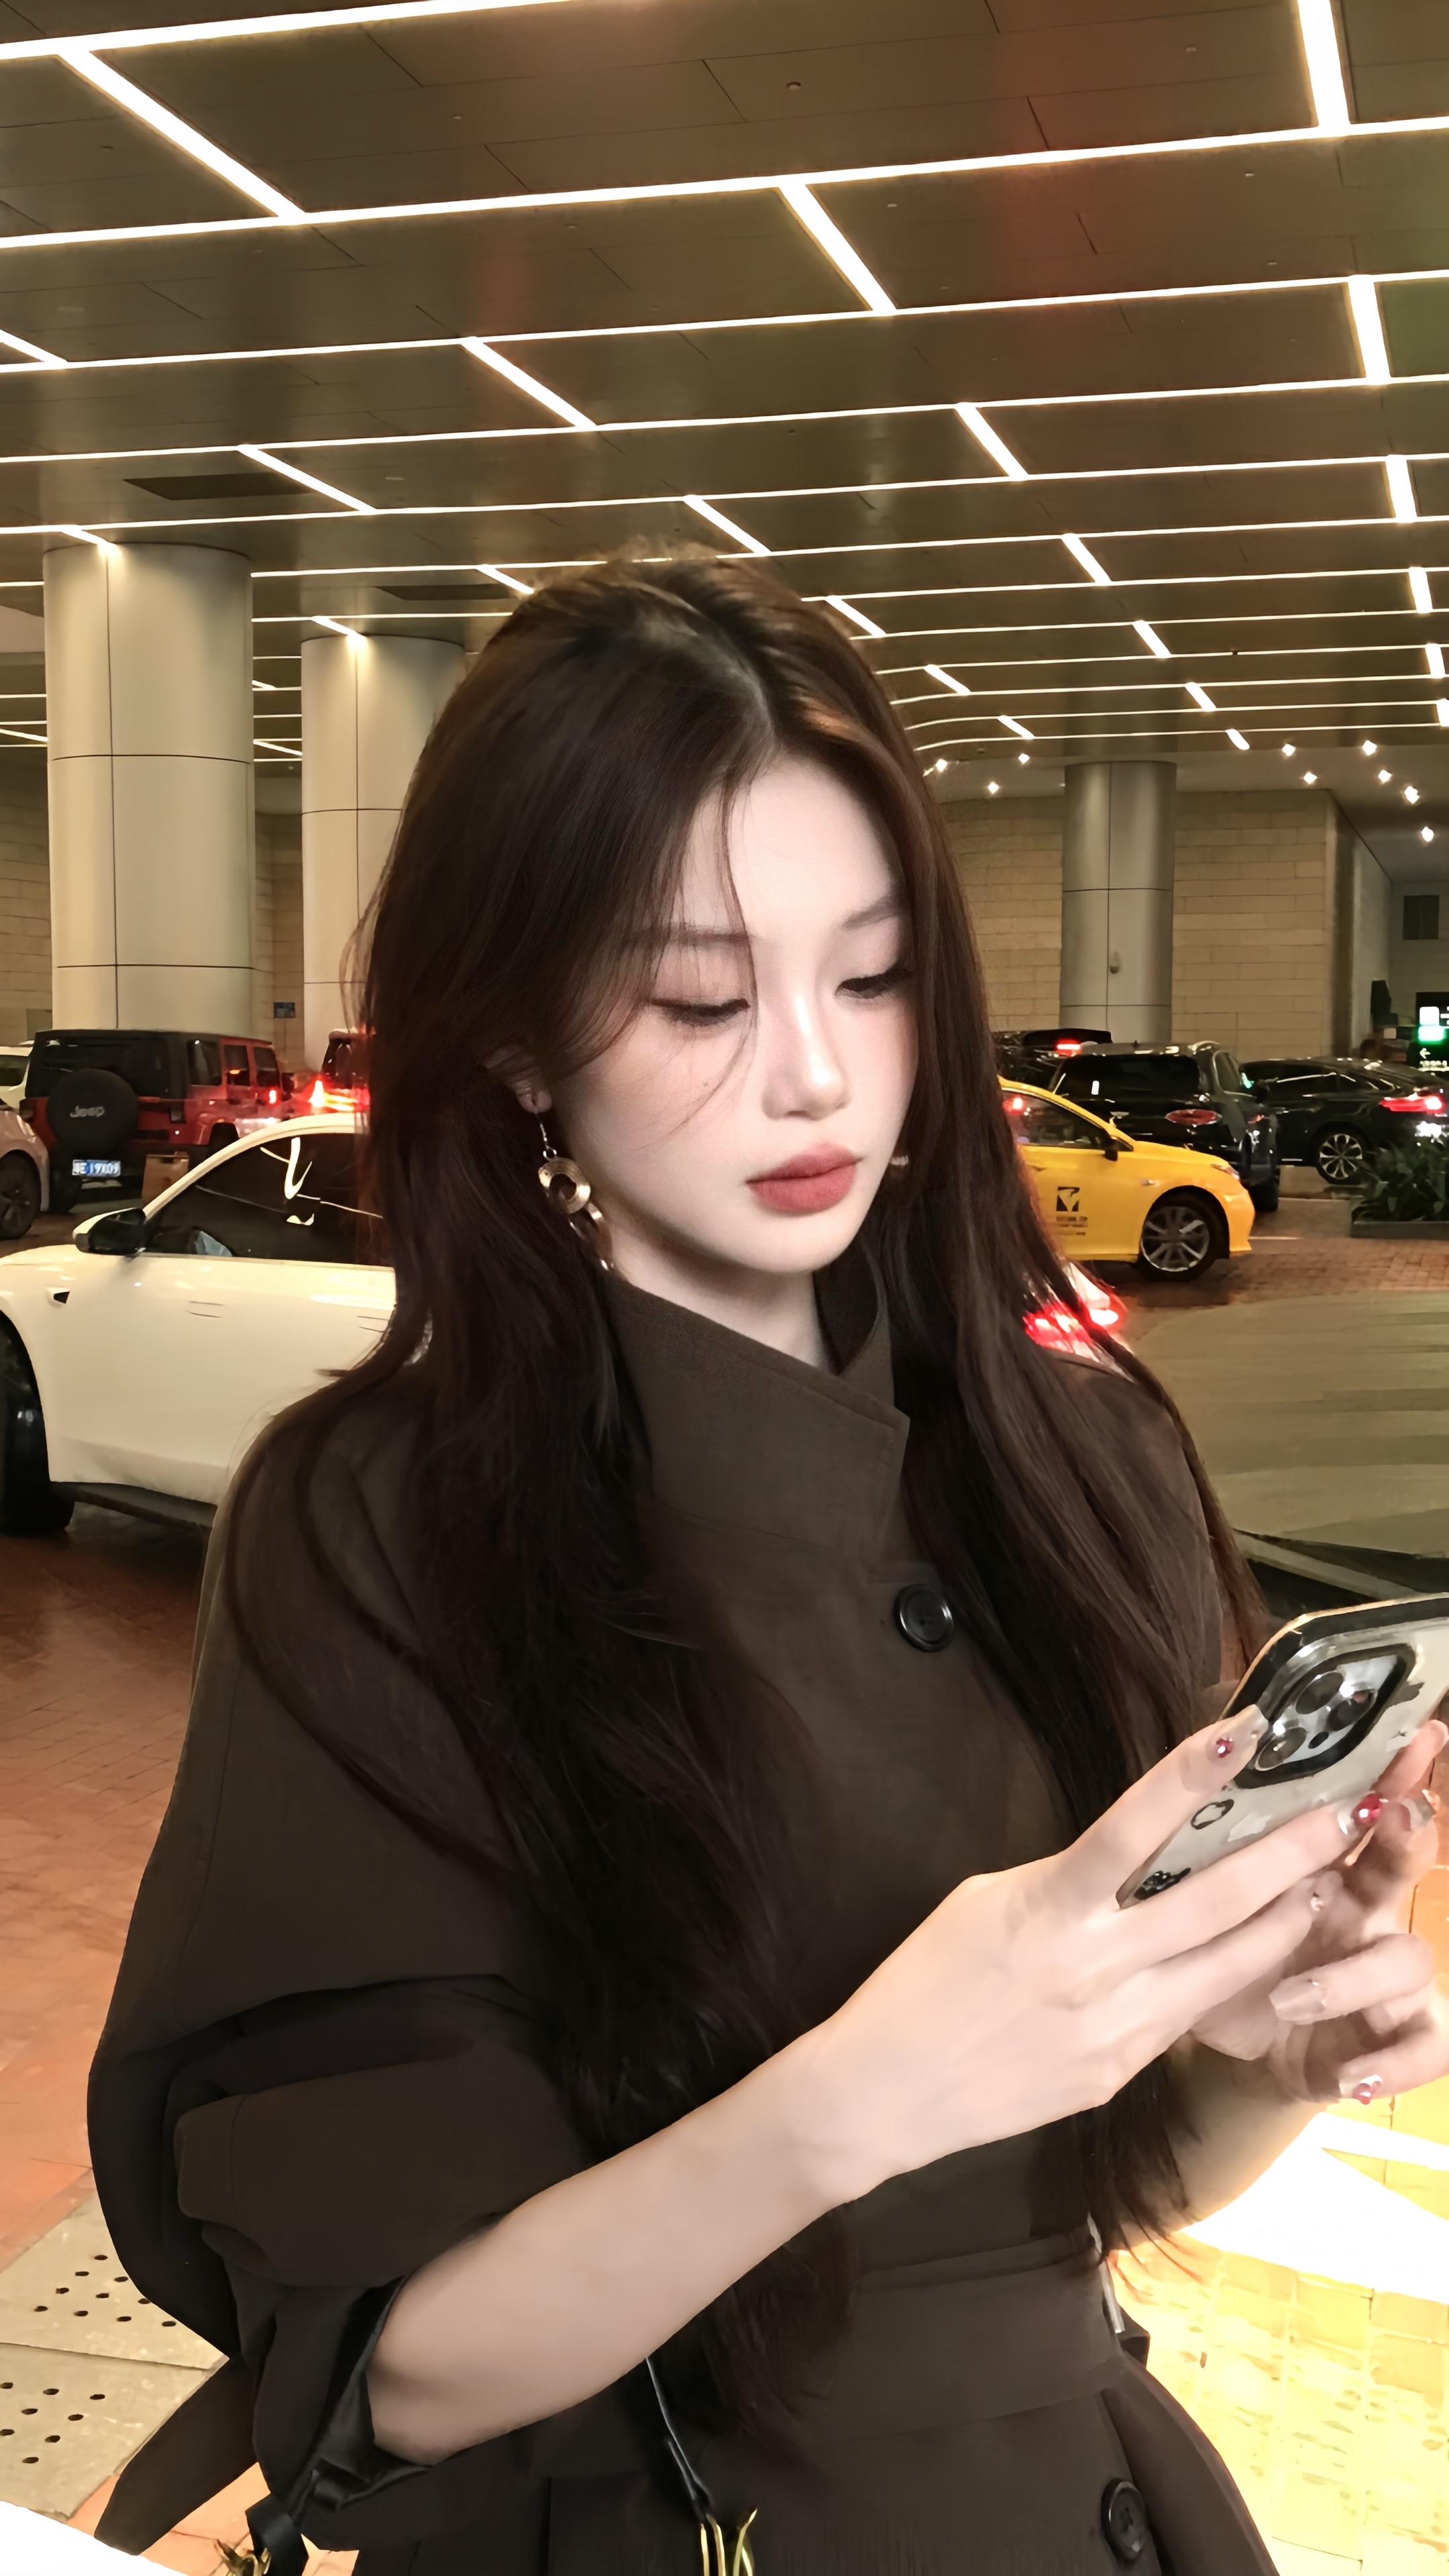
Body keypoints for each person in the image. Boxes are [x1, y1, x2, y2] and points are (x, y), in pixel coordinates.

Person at [89, 557, 1446, 2576]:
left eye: (873, 976)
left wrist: (1272, 2065)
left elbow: (1097, 2195)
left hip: (1082, 2506)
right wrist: (862, 2090)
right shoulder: (388, 1524)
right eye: (700, 997)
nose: (814, 1072)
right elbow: (381, 2377)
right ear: (519, 1037)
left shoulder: (1079, 1457)